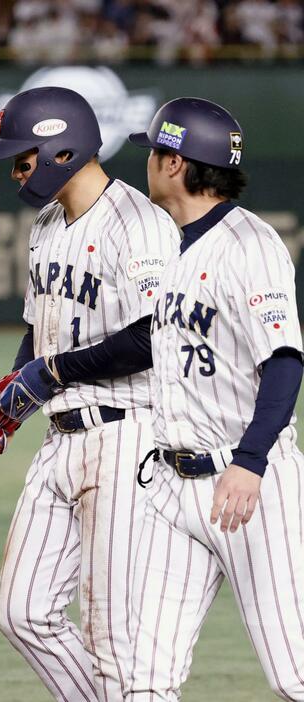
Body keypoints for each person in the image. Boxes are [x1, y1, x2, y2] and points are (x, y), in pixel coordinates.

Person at [0, 86, 179, 699]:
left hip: (127, 436)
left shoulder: (139, 224)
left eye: (23, 157)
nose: (15, 171)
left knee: (114, 636)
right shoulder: (47, 223)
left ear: (62, 148)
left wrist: (52, 374)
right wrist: (13, 401)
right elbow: (40, 328)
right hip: (63, 440)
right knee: (23, 613)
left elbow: (154, 335)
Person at [123, 98, 304, 700]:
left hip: (250, 482)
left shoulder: (249, 245)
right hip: (172, 485)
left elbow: (283, 362)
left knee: (295, 670)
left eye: (151, 152)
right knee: (141, 678)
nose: (145, 163)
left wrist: (250, 462)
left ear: (174, 163)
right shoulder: (169, 242)